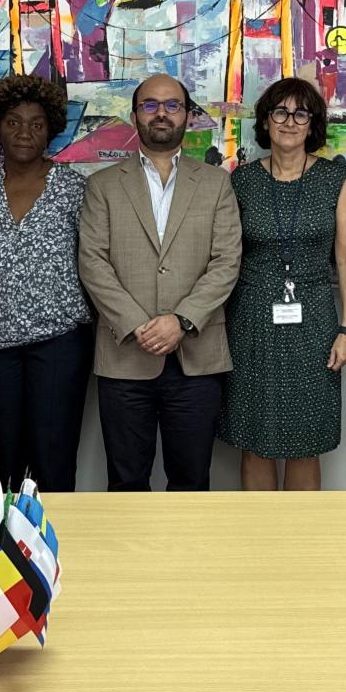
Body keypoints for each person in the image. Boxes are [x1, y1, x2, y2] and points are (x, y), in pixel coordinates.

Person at [78, 72, 241, 491]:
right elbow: (93, 263)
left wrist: (181, 320)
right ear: (135, 116)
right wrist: (138, 324)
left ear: (187, 115)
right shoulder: (102, 186)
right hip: (125, 356)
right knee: (126, 483)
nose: (161, 113)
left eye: (172, 105)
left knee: (191, 482)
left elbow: (227, 261)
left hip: (197, 357)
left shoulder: (217, 184)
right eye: (150, 105)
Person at [216, 77, 346, 491]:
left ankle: (302, 531)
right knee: (254, 440)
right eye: (280, 112)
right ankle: (259, 530)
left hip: (314, 323)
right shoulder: (241, 181)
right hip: (250, 322)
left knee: (305, 442)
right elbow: (225, 254)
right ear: (266, 120)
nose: (290, 121)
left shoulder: (336, 180)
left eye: (301, 113)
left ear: (313, 123)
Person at [0, 74, 93, 492]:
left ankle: (55, 533)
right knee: (4, 460)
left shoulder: (74, 187)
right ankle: (5, 535)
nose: (24, 132)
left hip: (59, 342)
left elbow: (94, 261)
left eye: (37, 124)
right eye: (13, 122)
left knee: (54, 458)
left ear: (51, 130)